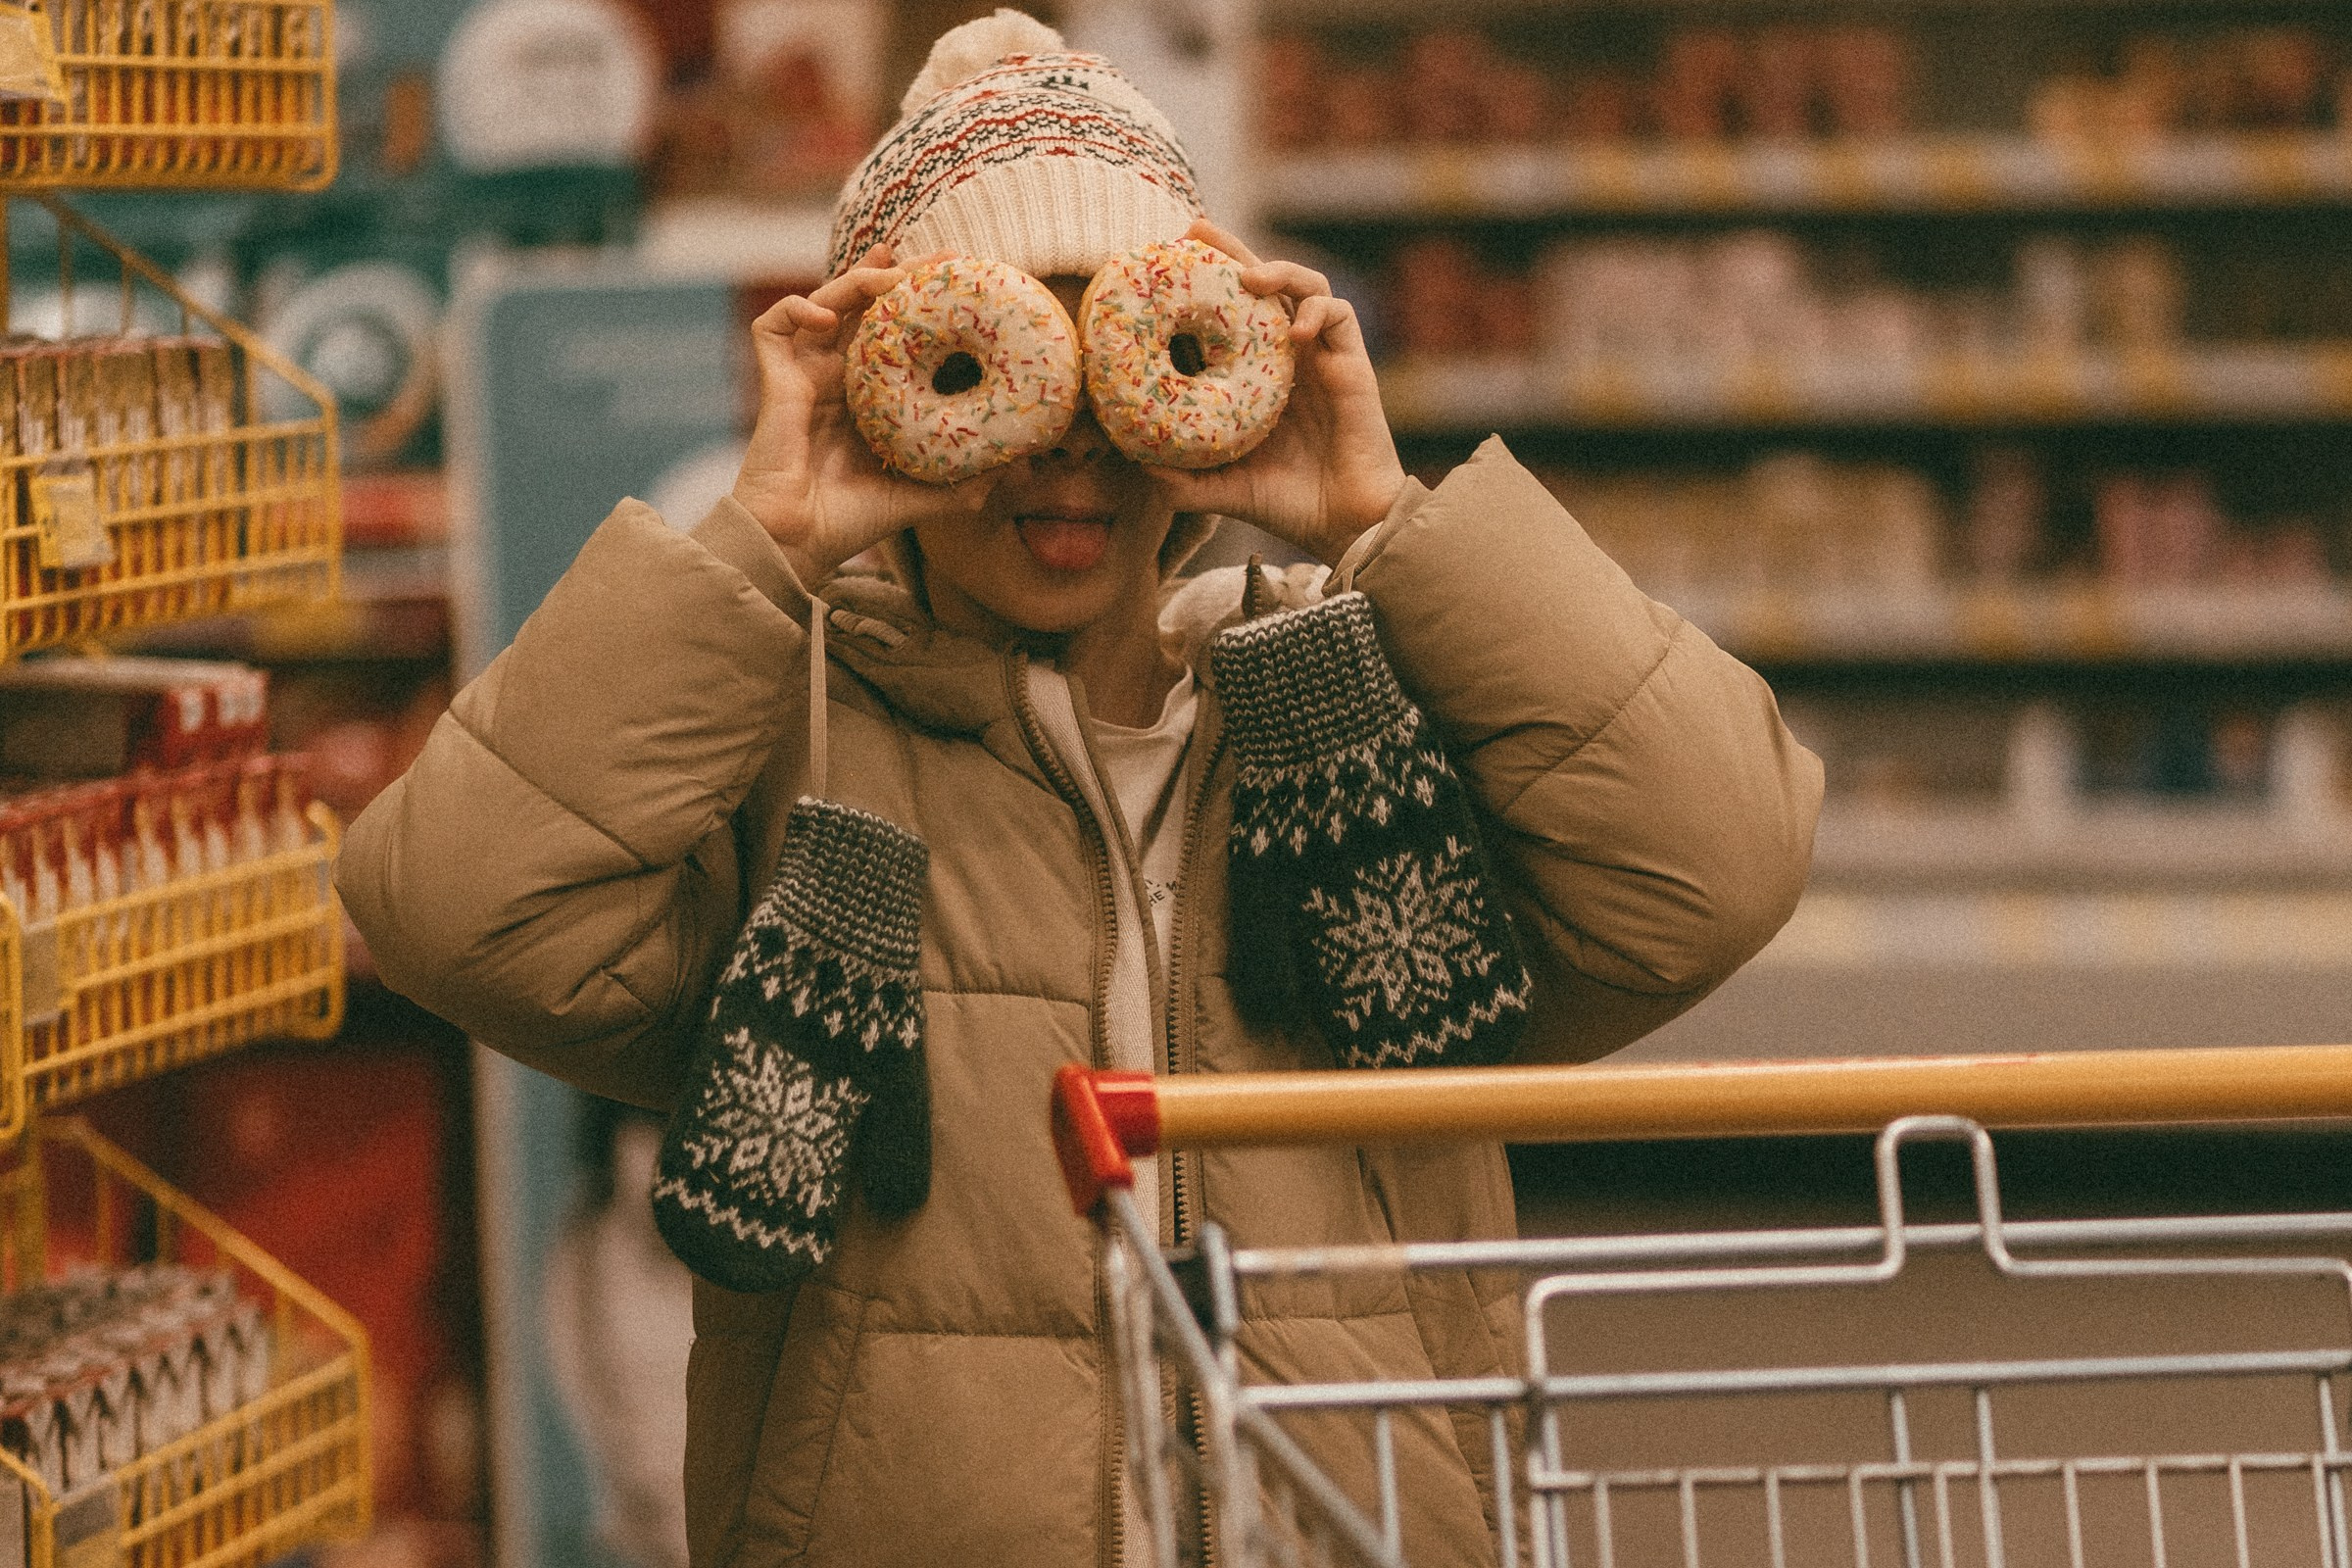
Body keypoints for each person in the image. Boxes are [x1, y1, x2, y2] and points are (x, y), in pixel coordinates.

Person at [337, 12, 1822, 1567]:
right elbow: (452, 911)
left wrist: (1386, 518)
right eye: (990, 370)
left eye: (1121, 368)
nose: (1067, 455)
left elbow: (1715, 865)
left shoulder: (1360, 730)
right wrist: (763, 547)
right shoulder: (787, 751)